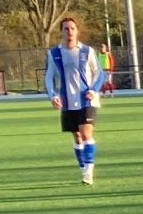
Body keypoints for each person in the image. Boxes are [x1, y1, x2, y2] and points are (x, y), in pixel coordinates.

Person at [45, 18, 106, 184]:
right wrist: (53, 96)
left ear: (77, 31)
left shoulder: (87, 51)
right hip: (67, 102)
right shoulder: (54, 54)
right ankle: (83, 168)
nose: (69, 31)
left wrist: (93, 90)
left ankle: (88, 173)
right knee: (77, 137)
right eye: (66, 29)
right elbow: (49, 78)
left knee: (86, 134)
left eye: (72, 28)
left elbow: (100, 74)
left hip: (87, 100)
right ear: (61, 32)